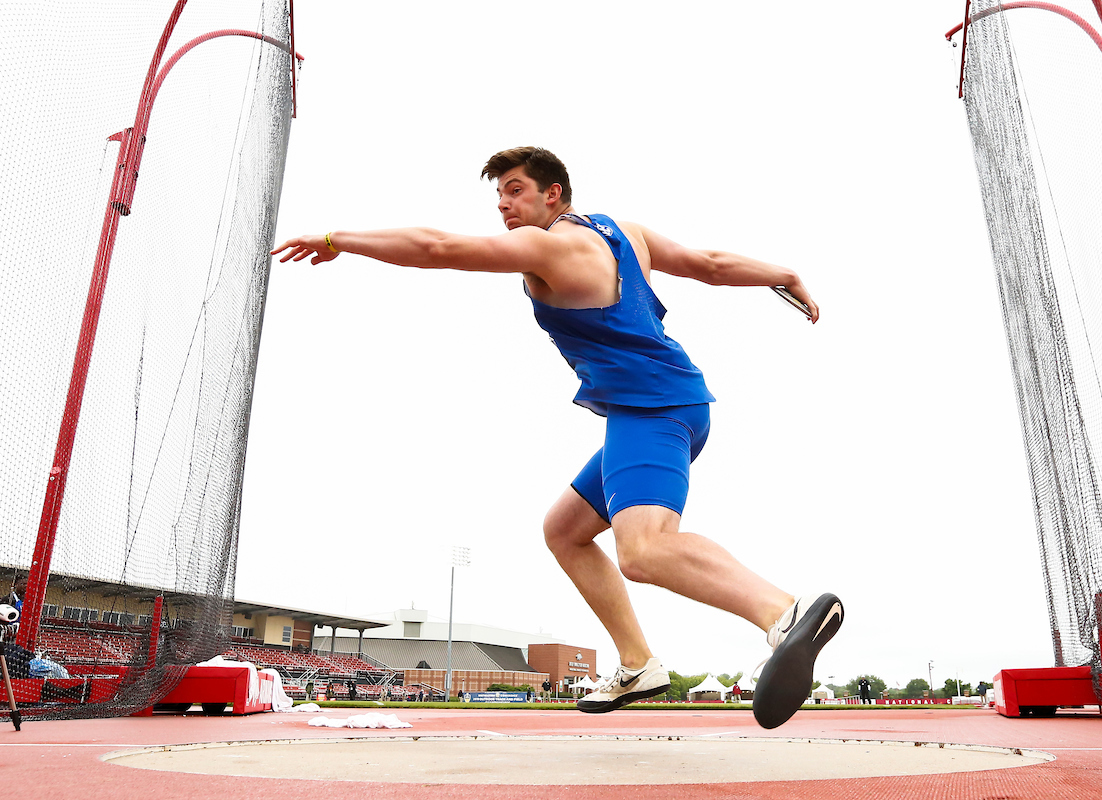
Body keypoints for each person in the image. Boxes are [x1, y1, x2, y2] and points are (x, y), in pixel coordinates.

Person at [273, 146, 843, 730]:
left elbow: (437, 248)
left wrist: (338, 238)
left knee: (643, 550)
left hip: (652, 410)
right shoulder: (625, 231)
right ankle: (638, 662)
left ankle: (784, 613)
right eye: (497, 195)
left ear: (553, 193)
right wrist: (783, 273)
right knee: (565, 530)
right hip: (669, 405)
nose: (503, 205)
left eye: (515, 190)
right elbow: (710, 262)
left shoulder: (546, 245)